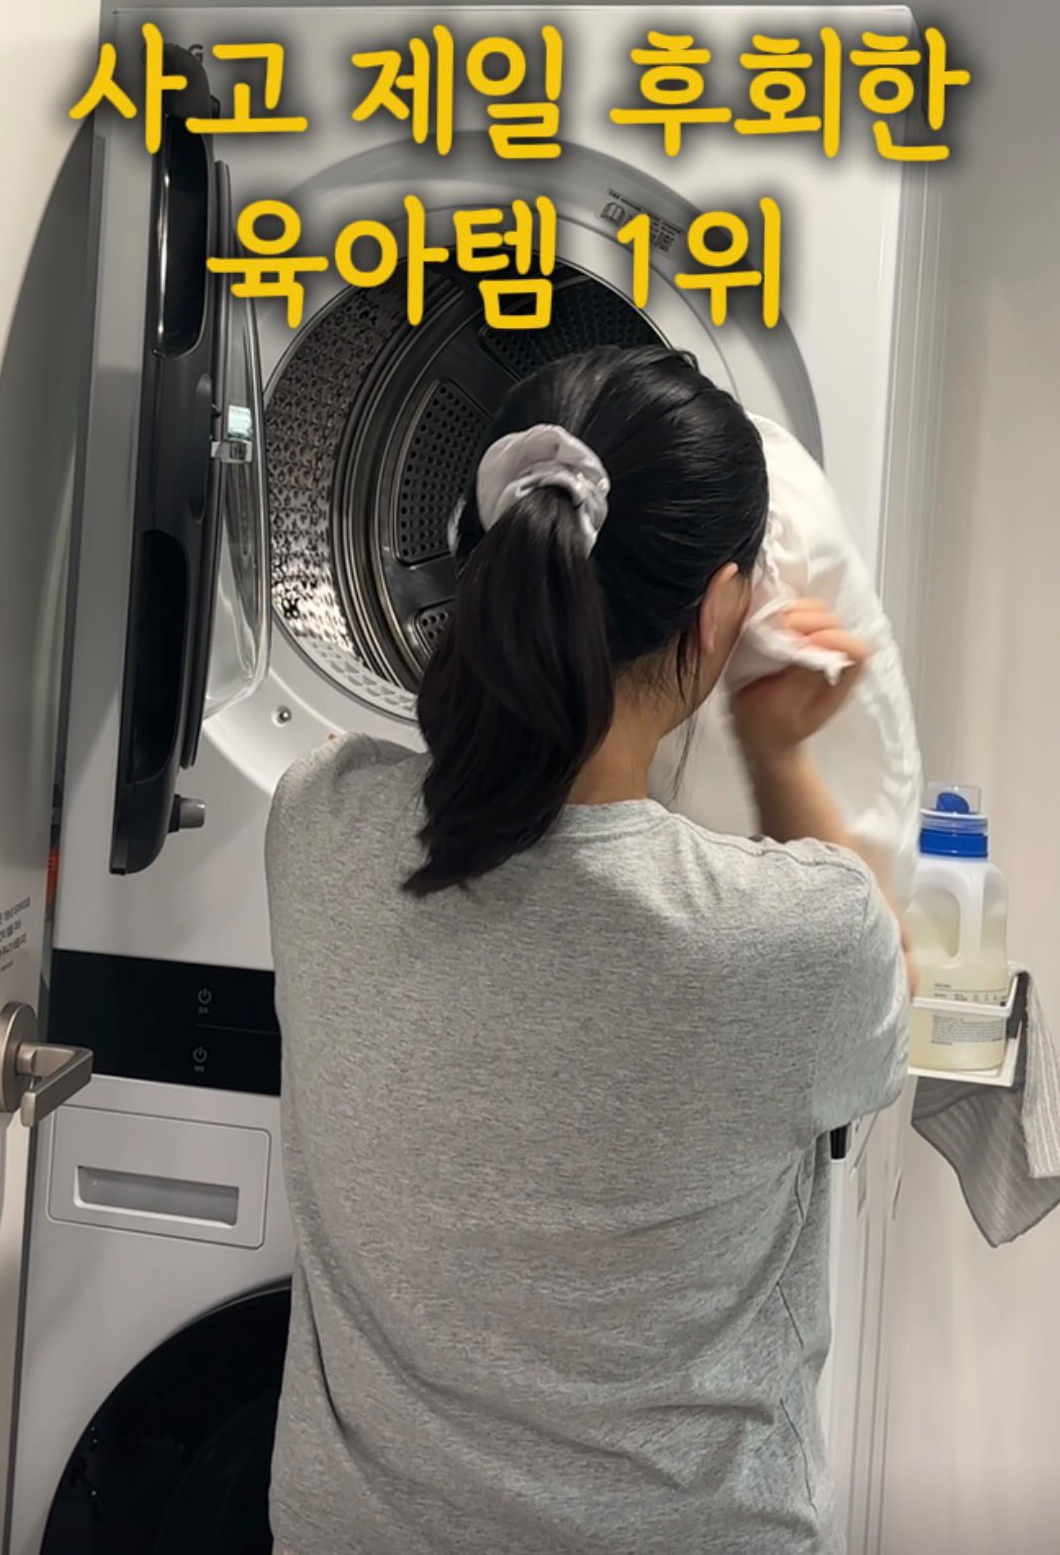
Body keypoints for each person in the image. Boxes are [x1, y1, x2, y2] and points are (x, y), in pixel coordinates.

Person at [265, 343, 912, 1555]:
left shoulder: (315, 818)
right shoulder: (789, 938)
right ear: (718, 612)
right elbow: (880, 1011)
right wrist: (778, 750)